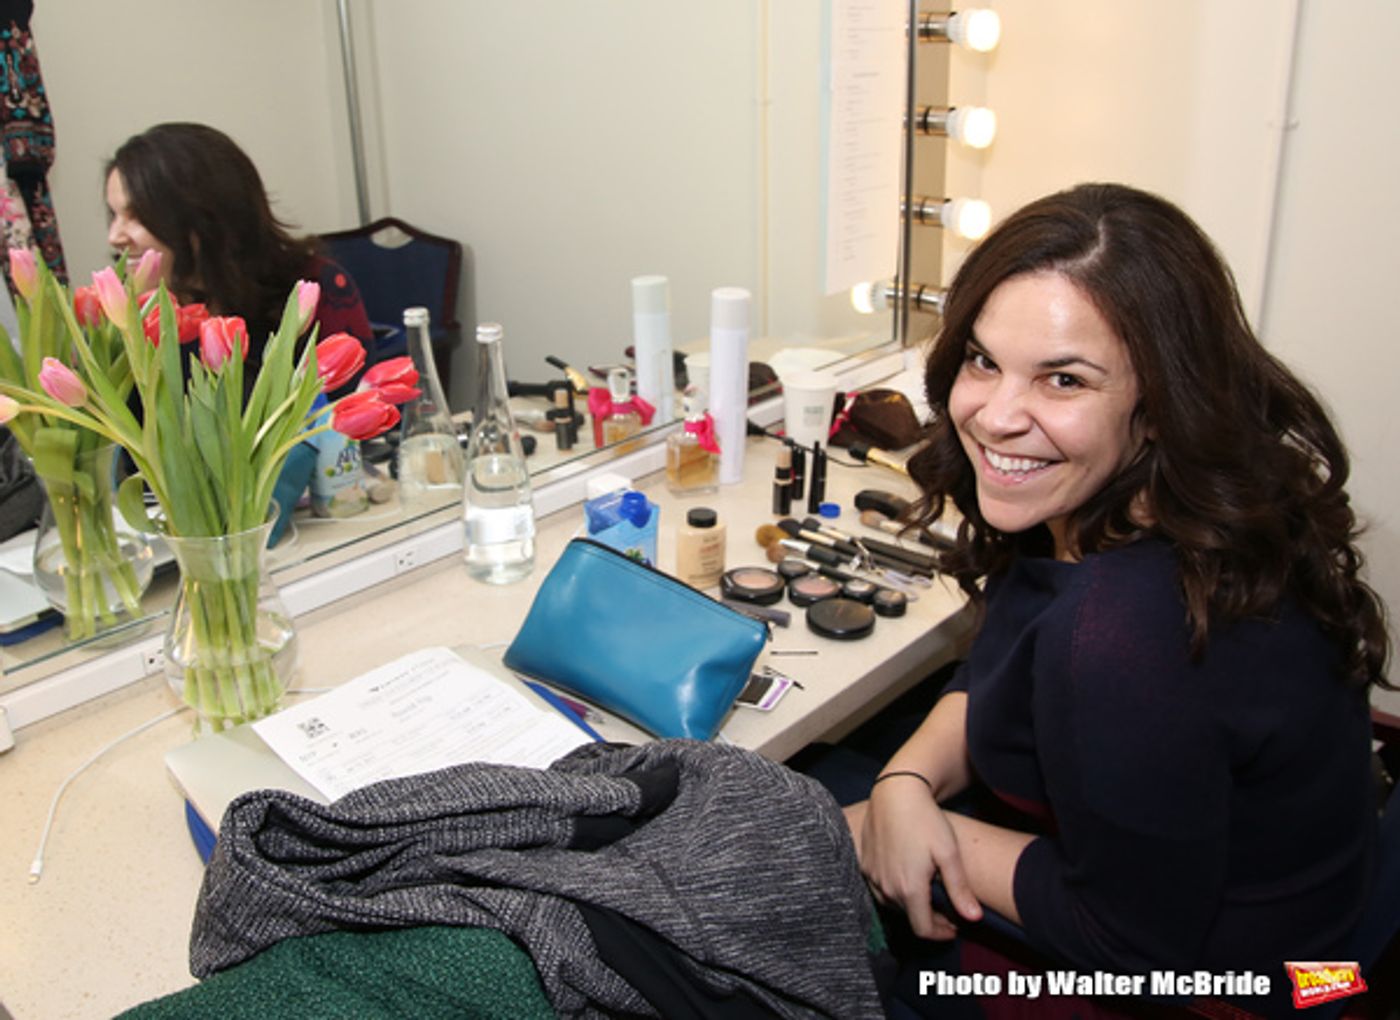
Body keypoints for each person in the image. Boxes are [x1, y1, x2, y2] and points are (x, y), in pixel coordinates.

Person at [842, 183, 1390, 1010]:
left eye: (1062, 380)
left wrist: (925, 831)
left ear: (1161, 403)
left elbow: (1128, 940)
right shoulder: (1150, 502)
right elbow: (999, 661)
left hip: (1241, 986)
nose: (994, 416)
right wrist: (904, 784)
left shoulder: (1124, 631)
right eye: (985, 360)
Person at [104, 122, 373, 382]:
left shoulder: (314, 289)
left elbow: (359, 410)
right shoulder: (124, 317)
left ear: (203, 216)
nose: (114, 236)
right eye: (113, 215)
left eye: (137, 216)